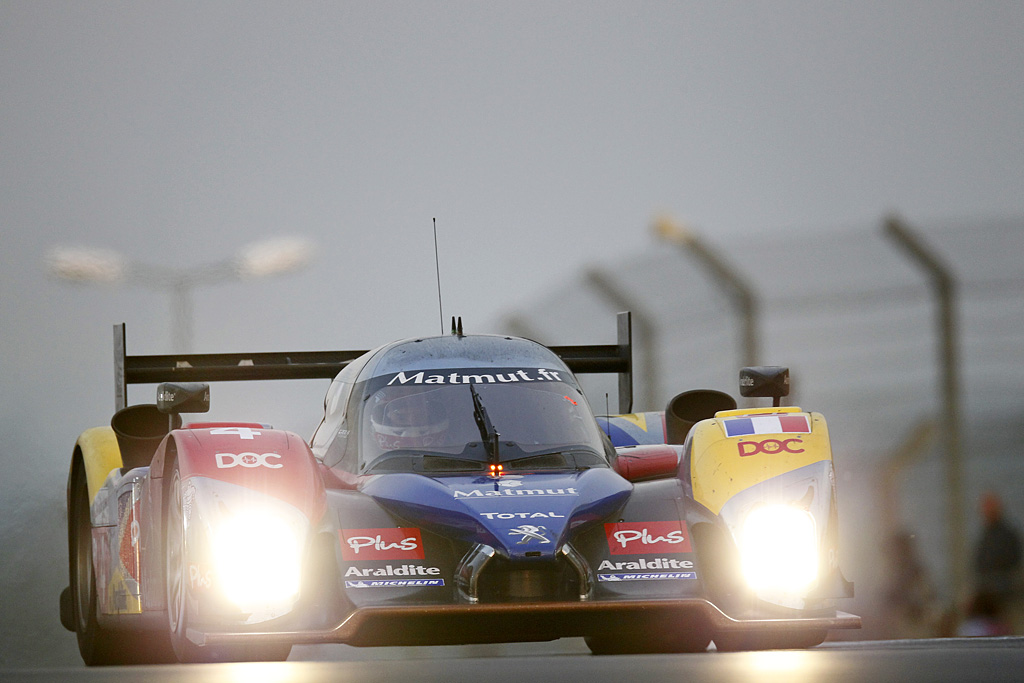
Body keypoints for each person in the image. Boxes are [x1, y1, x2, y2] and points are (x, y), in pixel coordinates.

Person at [962, 491, 1022, 636]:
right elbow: (977, 566)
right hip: (986, 600)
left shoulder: (1008, 535)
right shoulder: (984, 537)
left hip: (1005, 597)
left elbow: (1014, 565)